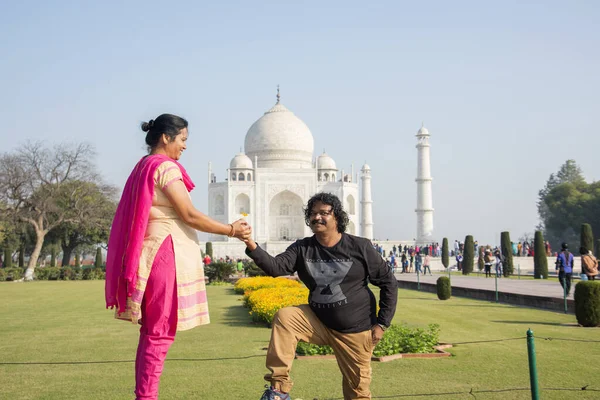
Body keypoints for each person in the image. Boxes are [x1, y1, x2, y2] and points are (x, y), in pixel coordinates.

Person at [104, 114, 252, 400]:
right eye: (182, 140)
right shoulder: (165, 168)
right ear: (165, 137)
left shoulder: (142, 167)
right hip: (164, 252)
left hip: (151, 252)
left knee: (151, 332)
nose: (185, 147)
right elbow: (189, 214)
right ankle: (146, 397)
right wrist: (231, 229)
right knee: (159, 332)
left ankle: (144, 395)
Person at [244, 192, 398, 400]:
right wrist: (249, 242)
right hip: (318, 322)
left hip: (355, 331)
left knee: (358, 393)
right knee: (286, 317)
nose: (318, 217)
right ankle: (278, 389)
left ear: (337, 217)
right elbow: (276, 267)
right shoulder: (303, 248)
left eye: (324, 213)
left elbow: (388, 282)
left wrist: (382, 323)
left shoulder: (359, 247)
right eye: (313, 213)